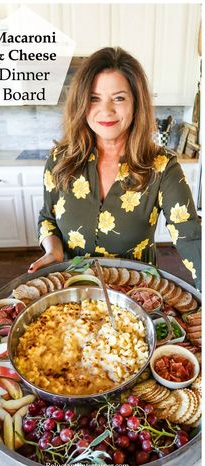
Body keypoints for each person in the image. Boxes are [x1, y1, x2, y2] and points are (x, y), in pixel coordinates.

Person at [28, 47, 201, 290]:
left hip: (137, 298)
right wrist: (54, 251)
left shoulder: (161, 166)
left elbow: (191, 236)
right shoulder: (60, 160)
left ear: (136, 102)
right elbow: (48, 218)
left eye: (119, 98)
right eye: (94, 98)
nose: (106, 110)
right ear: (81, 103)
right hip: (74, 296)